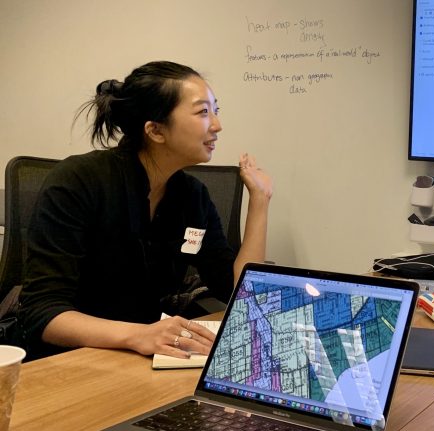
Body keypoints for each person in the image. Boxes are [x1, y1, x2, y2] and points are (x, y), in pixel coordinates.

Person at [17, 61, 273, 360]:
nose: (217, 125)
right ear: (155, 130)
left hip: (141, 358)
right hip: (69, 360)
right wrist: (140, 335)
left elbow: (239, 292)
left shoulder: (192, 196)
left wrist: (260, 201)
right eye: (203, 112)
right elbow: (42, 312)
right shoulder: (78, 181)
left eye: (216, 110)